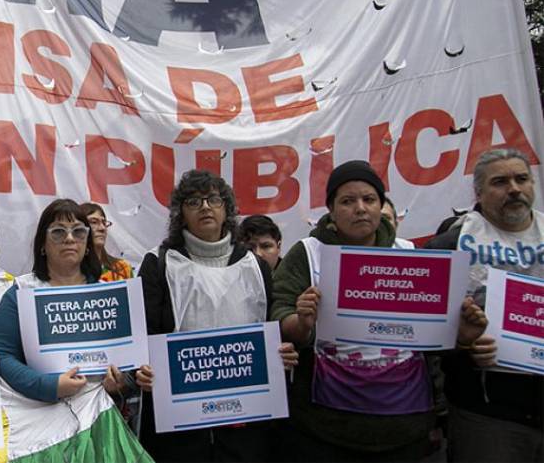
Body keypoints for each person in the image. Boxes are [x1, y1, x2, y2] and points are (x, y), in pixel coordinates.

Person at [271, 160, 486, 461]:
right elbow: (278, 312)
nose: (360, 208)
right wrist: (301, 323)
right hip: (323, 428)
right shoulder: (308, 253)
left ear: (381, 205)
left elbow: (436, 336)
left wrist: (461, 336)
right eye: (347, 201)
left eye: (369, 199)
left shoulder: (410, 253)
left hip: (403, 427)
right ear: (331, 210)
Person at [138, 170, 296, 461]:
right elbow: (144, 335)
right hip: (180, 425)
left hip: (246, 423)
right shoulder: (158, 263)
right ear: (181, 213)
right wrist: (143, 369)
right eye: (194, 202)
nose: (206, 207)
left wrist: (282, 353)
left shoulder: (255, 267)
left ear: (227, 209)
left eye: (213, 199)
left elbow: (272, 331)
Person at [0, 199, 152, 458]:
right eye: (58, 231)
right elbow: (0, 356)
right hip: (37, 427)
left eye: (78, 231)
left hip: (100, 423)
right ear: (42, 244)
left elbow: (130, 367)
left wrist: (121, 383)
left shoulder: (110, 295)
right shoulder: (20, 292)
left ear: (87, 243)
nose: (69, 238)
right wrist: (48, 385)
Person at [424, 148, 543, 462]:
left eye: (521, 179)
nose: (514, 189)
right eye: (500, 182)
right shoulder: (448, 247)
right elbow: (422, 336)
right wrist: (463, 344)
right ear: (478, 192)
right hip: (488, 415)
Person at [81, 203, 134, 282]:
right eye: (94, 222)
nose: (102, 228)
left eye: (104, 222)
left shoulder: (122, 268)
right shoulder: (71, 272)